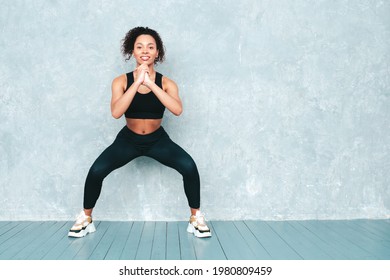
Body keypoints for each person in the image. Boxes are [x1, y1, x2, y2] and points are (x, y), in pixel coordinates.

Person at [68, 27, 211, 238]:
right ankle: (86, 218)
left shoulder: (167, 83)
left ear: (157, 53)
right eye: (140, 46)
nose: (145, 50)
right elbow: (116, 112)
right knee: (96, 171)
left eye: (151, 47)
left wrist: (151, 84)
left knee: (189, 167)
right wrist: (136, 83)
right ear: (132, 52)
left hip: (157, 140)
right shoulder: (121, 81)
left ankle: (195, 218)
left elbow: (177, 110)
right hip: (129, 140)